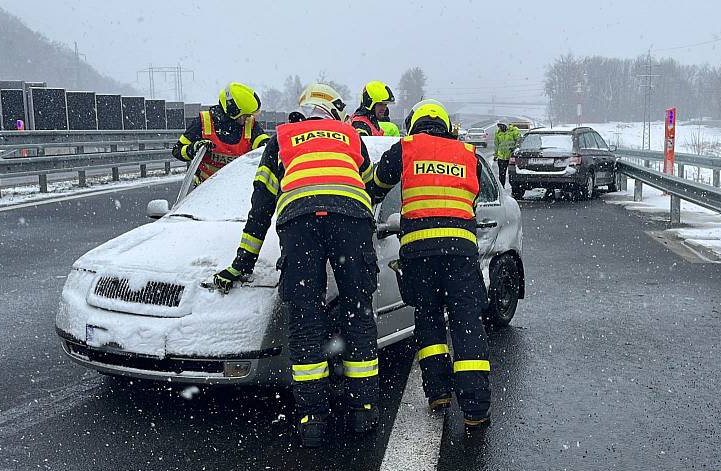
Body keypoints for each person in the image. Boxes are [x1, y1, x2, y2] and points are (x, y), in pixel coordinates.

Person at [211, 83, 381, 448]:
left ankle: (311, 420)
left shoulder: (281, 138)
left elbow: (261, 209)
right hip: (350, 220)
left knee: (306, 319)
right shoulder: (351, 135)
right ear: (332, 110)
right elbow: (368, 189)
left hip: (299, 222)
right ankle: (363, 410)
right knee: (358, 313)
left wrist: (242, 263)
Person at [372, 99, 492, 429]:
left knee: (428, 318)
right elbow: (472, 200)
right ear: (446, 126)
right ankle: (475, 409)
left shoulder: (406, 147)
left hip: (419, 253)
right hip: (460, 252)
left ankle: (438, 392)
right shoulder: (469, 155)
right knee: (467, 322)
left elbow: (379, 185)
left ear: (414, 124)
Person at [172, 83, 269, 186]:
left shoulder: (250, 125)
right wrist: (194, 148)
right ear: (233, 111)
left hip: (238, 189)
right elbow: (177, 150)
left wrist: (269, 145)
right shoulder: (204, 122)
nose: (247, 118)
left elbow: (264, 143)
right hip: (205, 191)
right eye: (245, 115)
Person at [493, 121, 521, 186]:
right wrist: (495, 155)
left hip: (511, 157)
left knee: (512, 173)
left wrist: (514, 148)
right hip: (501, 157)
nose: (500, 127)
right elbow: (496, 145)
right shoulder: (498, 133)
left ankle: (514, 187)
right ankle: (502, 187)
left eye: (501, 126)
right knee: (502, 173)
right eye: (499, 126)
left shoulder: (513, 131)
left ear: (506, 125)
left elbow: (519, 141)